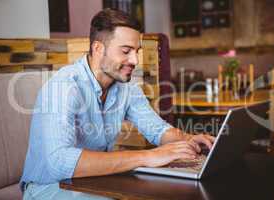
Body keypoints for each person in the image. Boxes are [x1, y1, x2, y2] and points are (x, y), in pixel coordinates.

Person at [20, 8, 215, 200]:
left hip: (94, 182)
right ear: (98, 48)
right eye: (126, 51)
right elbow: (60, 162)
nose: (135, 60)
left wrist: (188, 139)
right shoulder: (63, 87)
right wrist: (148, 157)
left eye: (137, 51)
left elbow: (158, 131)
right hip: (45, 188)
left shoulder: (126, 88)